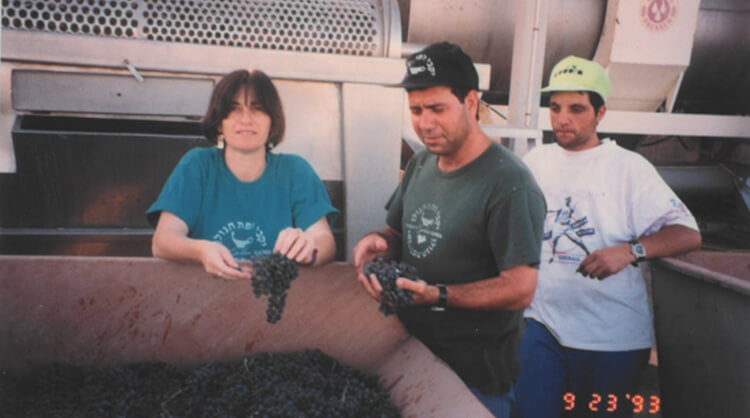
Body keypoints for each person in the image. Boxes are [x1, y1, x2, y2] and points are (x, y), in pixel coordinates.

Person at [351, 42, 546, 417]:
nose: (425, 123)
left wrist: (436, 295)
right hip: (409, 361)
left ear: (471, 103)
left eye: (438, 109)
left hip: (473, 380)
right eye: (416, 110)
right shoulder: (422, 164)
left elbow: (520, 287)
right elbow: (396, 236)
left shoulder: (510, 185)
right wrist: (378, 243)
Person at [514, 56, 702, 418]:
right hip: (543, 325)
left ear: (601, 113)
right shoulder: (536, 160)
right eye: (554, 107)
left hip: (611, 339)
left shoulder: (628, 168)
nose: (562, 118)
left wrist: (630, 251)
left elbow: (687, 233)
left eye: (577, 108)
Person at [147, 69, 338, 279]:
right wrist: (202, 251)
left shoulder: (295, 171)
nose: (246, 119)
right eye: (234, 109)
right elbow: (162, 241)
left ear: (272, 121)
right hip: (204, 300)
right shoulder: (198, 166)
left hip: (278, 300)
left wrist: (309, 249)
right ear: (220, 122)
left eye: (257, 109)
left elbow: (324, 240)